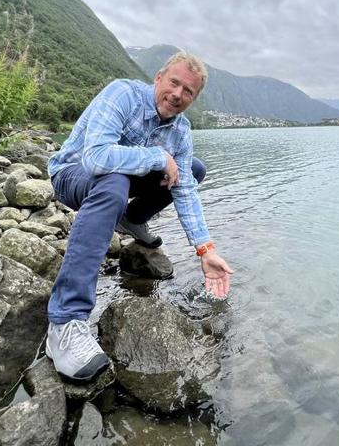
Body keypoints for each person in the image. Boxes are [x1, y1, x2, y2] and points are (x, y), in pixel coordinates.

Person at [45, 51, 234, 381]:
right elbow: (97, 158)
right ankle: (64, 322)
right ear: (158, 78)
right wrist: (158, 157)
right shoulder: (123, 94)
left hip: (115, 180)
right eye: (174, 83)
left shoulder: (181, 130)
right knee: (115, 181)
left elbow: (185, 190)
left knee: (193, 170)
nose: (177, 94)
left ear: (193, 99)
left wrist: (206, 250)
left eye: (188, 91)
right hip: (73, 174)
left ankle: (131, 219)